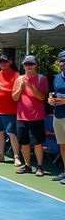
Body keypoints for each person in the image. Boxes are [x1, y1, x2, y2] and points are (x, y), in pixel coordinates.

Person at [12, 55, 47, 175]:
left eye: (31, 64)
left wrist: (30, 86)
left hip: (36, 117)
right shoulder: (19, 79)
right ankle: (27, 165)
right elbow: (15, 98)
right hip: (21, 117)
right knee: (24, 142)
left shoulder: (41, 79)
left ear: (36, 65)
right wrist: (21, 88)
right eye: (26, 65)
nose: (29, 67)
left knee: (37, 143)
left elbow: (42, 97)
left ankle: (40, 166)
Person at [0, 54, 22, 165]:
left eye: (5, 61)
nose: (3, 63)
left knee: (12, 134)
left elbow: (16, 93)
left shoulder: (16, 75)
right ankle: (1, 155)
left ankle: (16, 156)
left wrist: (3, 89)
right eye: (1, 61)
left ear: (10, 62)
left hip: (11, 110)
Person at [48, 51, 65, 183]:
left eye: (64, 61)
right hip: (58, 116)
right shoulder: (57, 77)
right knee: (62, 146)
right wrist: (50, 98)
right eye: (61, 61)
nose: (62, 63)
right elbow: (54, 92)